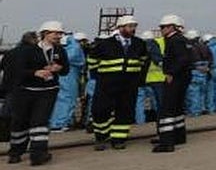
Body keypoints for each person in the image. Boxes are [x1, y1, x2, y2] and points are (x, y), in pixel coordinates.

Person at [6, 21, 70, 165]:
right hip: (26, 92)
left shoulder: (60, 50)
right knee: (20, 122)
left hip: (48, 91)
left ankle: (38, 154)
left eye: (60, 34)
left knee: (39, 122)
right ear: (45, 33)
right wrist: (35, 72)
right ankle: (16, 152)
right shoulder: (28, 51)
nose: (59, 36)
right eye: (56, 33)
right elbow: (19, 71)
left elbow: (66, 70)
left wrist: (58, 68)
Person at [87, 15, 150, 151]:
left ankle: (119, 139)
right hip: (107, 83)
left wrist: (139, 79)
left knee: (125, 110)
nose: (132, 29)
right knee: (100, 110)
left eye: (134, 26)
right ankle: (101, 136)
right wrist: (99, 76)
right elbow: (92, 62)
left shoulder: (139, 43)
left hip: (129, 84)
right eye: (129, 26)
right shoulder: (105, 43)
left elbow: (144, 61)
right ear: (120, 28)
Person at [154, 14, 194, 152]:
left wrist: (171, 72)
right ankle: (178, 136)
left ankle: (166, 142)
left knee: (167, 110)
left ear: (172, 27)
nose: (161, 30)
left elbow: (182, 59)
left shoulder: (174, 40)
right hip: (183, 78)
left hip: (175, 78)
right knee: (177, 108)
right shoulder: (184, 40)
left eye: (163, 27)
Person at [49, 32, 88, 131]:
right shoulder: (74, 49)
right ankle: (61, 123)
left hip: (62, 77)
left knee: (60, 100)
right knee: (68, 99)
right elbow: (77, 59)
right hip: (69, 78)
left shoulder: (60, 49)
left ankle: (60, 121)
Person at [184, 30, 212, 117]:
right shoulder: (205, 46)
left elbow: (187, 61)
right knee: (202, 92)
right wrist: (206, 67)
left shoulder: (189, 48)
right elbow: (211, 58)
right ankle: (202, 108)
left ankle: (194, 112)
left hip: (194, 71)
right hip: (204, 72)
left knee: (193, 93)